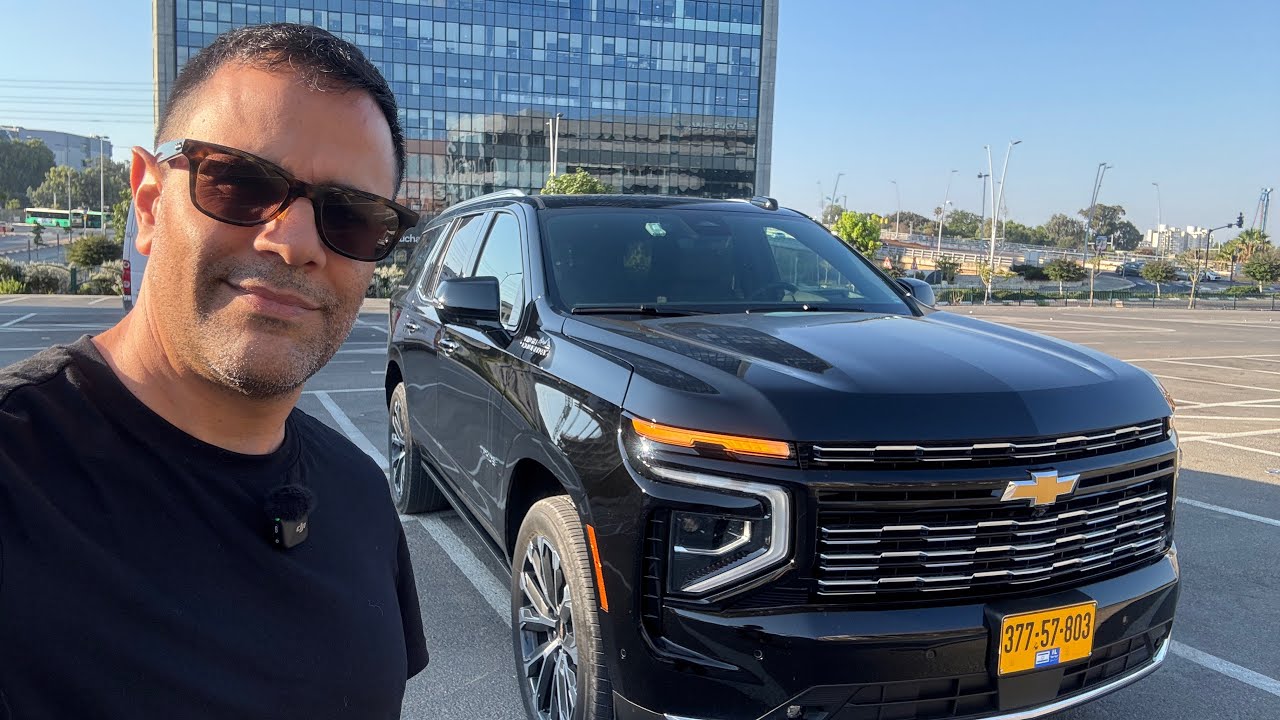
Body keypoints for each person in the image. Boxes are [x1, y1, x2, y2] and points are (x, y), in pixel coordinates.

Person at [0, 24, 427, 718]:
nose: (294, 243)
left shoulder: (361, 496)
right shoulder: (17, 478)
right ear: (148, 203)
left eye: (350, 216)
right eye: (240, 183)